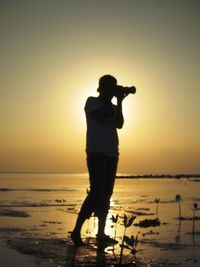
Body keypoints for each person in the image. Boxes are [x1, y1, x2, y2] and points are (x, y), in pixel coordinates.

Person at [70, 74, 126, 246]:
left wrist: (120, 102)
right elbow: (100, 116)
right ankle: (76, 231)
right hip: (96, 153)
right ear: (101, 88)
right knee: (96, 192)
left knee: (106, 195)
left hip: (112, 154)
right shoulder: (92, 102)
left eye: (114, 86)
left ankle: (101, 234)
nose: (112, 89)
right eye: (110, 86)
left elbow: (120, 124)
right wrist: (112, 100)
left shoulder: (113, 106)